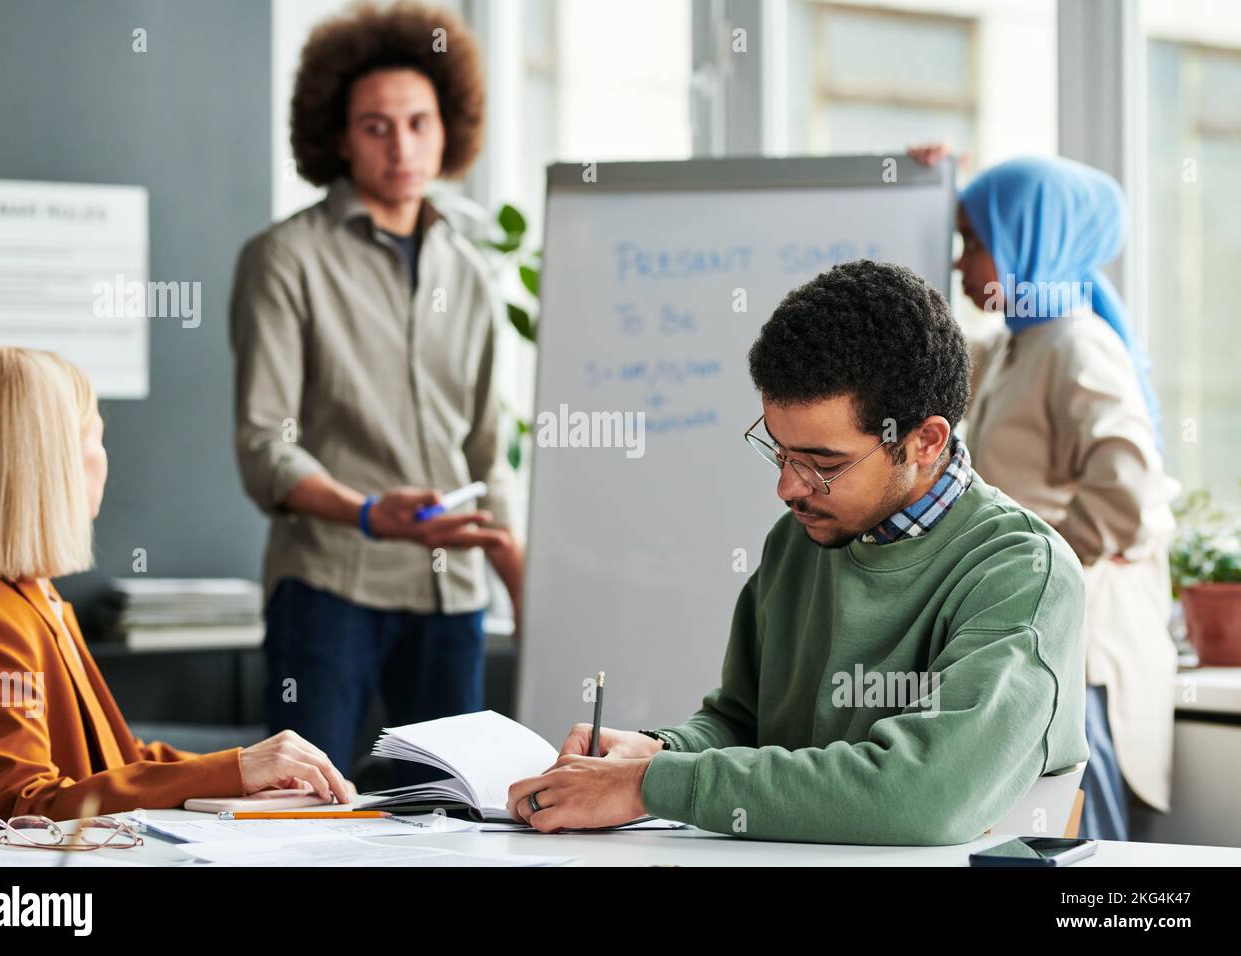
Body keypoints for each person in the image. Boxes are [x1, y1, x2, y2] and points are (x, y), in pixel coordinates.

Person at [505, 261, 1089, 844]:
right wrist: (658, 750)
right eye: (778, 451)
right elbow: (743, 723)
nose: (788, 488)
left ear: (925, 440)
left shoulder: (1023, 574)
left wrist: (646, 784)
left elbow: (919, 795)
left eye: (824, 464)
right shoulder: (802, 537)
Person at [230, 2, 522, 778]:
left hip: (451, 595)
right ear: (336, 135)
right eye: (376, 126)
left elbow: (489, 450)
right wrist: (366, 512)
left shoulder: (470, 269)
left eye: (419, 122)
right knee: (302, 807)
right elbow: (266, 449)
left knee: (458, 816)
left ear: (448, 128)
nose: (402, 146)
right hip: (329, 589)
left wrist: (524, 579)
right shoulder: (283, 259)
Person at [0, 347, 355, 834]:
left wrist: (241, 773)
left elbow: (114, 761)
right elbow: (10, 810)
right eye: (96, 436)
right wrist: (235, 770)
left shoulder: (31, 597)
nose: (104, 457)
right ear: (52, 464)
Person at [913, 146, 1179, 842]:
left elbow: (1131, 498)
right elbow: (915, 349)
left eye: (975, 242)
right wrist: (922, 189)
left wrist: (1030, 567)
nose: (960, 263)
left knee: (1082, 858)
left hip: (1081, 649)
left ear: (1030, 240)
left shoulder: (1075, 346)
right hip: (1042, 639)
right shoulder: (1015, 345)